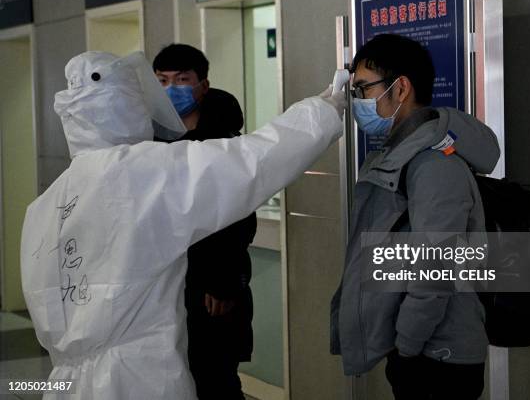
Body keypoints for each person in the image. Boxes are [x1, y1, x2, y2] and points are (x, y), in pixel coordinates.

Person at [20, 50, 345, 400]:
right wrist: (324, 110)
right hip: (139, 374)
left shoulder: (46, 203)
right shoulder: (141, 172)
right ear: (129, 105)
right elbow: (251, 162)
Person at [330, 34, 500, 399]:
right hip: (419, 349)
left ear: (401, 87)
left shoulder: (434, 164)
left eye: (362, 88)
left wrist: (406, 343)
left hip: (439, 357)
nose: (357, 101)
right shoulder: (399, 155)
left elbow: (435, 266)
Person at [153, 43, 256, 399]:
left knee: (215, 380)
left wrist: (224, 280)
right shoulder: (150, 140)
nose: (171, 89)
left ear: (203, 85)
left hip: (212, 287)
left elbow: (238, 217)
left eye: (182, 80)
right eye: (162, 80)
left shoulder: (224, 142)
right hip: (164, 287)